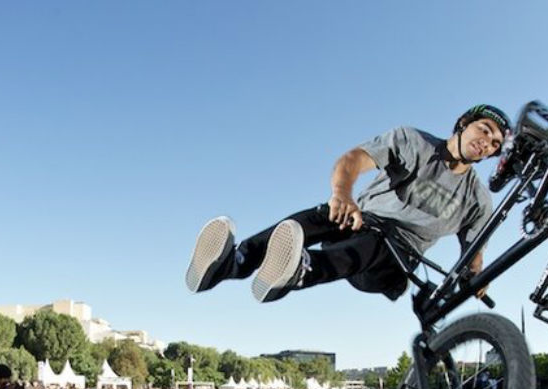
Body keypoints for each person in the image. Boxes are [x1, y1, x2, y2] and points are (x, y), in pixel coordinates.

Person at [186, 105, 509, 304]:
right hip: (362, 222)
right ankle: (234, 262)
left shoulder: (478, 199)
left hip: (392, 261)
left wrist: (477, 278)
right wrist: (343, 194)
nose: (486, 143)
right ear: (464, 123)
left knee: (379, 242)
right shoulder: (413, 142)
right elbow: (353, 160)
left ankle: (300, 270)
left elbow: (473, 254)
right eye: (484, 129)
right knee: (328, 214)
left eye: (495, 144)